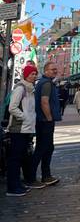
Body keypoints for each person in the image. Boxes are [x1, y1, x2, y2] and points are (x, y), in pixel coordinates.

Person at [6, 65, 46, 196]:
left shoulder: (30, 90)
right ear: (26, 75)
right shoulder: (21, 88)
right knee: (15, 159)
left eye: (35, 74)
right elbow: (12, 108)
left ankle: (17, 184)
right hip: (18, 129)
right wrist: (25, 117)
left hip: (26, 129)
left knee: (21, 157)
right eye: (31, 74)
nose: (34, 76)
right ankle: (12, 188)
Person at [31, 62, 61, 186]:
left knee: (47, 148)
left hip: (42, 120)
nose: (55, 71)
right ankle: (32, 177)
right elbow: (44, 102)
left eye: (56, 69)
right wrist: (49, 118)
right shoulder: (47, 84)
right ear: (46, 71)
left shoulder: (44, 83)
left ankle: (46, 175)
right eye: (52, 69)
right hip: (45, 121)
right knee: (43, 148)